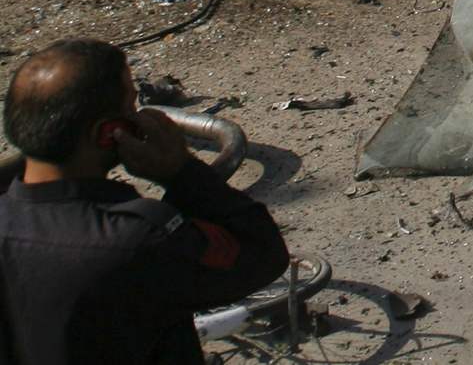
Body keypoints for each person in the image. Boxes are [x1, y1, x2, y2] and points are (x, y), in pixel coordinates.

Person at [0, 36, 292, 364]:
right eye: (130, 106)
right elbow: (262, 254)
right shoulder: (137, 241)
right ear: (109, 131)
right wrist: (181, 171)